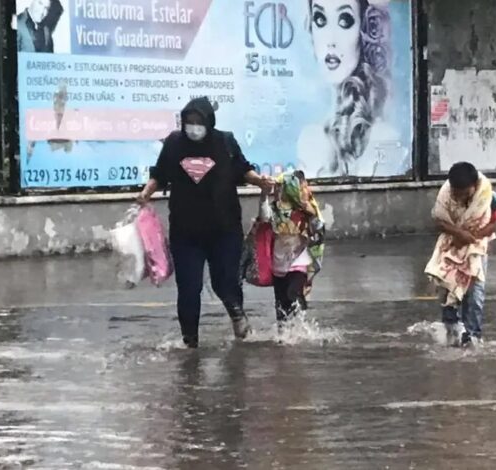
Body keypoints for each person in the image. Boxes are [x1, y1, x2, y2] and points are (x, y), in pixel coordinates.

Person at [137, 97, 274, 348]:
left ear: (209, 121)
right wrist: (146, 193)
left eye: (198, 121)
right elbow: (159, 174)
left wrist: (260, 182)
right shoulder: (174, 144)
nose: (193, 126)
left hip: (225, 230)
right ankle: (190, 341)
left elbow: (243, 169)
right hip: (186, 232)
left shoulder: (225, 142)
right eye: (189, 121)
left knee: (226, 282)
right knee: (189, 289)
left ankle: (237, 314)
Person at [297, 0, 399, 178]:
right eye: (320, 19)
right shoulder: (310, 139)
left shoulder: (383, 138)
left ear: (364, 31)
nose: (330, 40)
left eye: (345, 20)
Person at [424, 162, 494, 348]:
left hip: (475, 249)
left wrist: (470, 237)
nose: (458, 196)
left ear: (474, 187)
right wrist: (458, 234)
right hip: (450, 246)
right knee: (447, 287)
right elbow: (438, 220)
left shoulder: (487, 196)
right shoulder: (445, 195)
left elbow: (495, 224)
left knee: (475, 293)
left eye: (463, 192)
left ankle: (473, 336)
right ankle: (451, 332)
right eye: (455, 191)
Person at [256, 171, 325, 330]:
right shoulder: (275, 211)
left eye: (281, 188)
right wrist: (264, 195)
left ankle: (300, 324)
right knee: (281, 304)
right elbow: (264, 217)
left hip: (299, 262)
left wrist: (312, 215)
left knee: (292, 294)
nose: (277, 191)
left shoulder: (307, 211)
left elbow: (318, 227)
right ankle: (285, 334)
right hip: (279, 264)